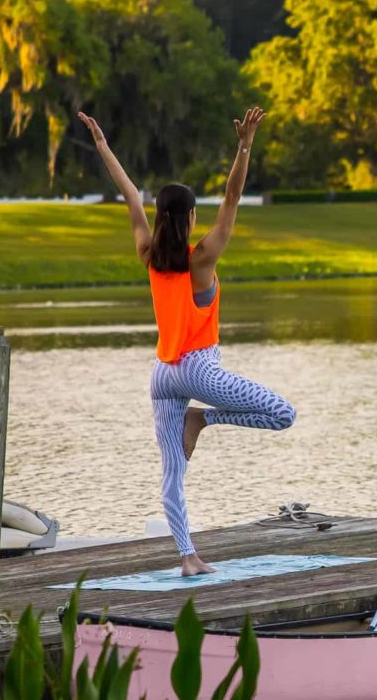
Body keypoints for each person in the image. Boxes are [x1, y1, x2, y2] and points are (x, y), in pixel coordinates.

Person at [80, 107, 295, 576]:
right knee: (283, 414)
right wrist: (244, 146)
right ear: (192, 216)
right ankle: (204, 418)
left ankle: (188, 557)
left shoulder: (148, 253)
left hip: (162, 374)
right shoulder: (203, 259)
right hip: (199, 368)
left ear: (160, 217)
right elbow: (234, 197)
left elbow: (130, 195)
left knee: (172, 474)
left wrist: (103, 147)